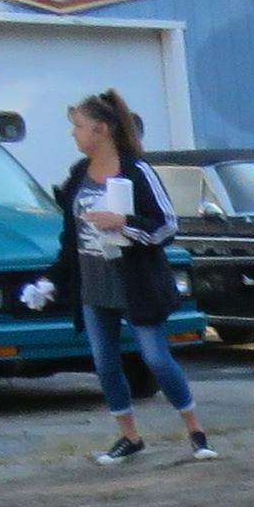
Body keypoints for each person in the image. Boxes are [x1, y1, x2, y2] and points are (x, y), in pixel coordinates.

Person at [24, 91, 215, 465]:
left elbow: (166, 227)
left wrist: (124, 224)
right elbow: (71, 239)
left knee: (155, 357)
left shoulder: (136, 171)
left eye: (78, 127)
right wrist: (50, 281)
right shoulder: (79, 175)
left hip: (136, 284)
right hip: (94, 285)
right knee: (105, 362)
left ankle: (196, 432)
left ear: (102, 129)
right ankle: (129, 437)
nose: (74, 135)